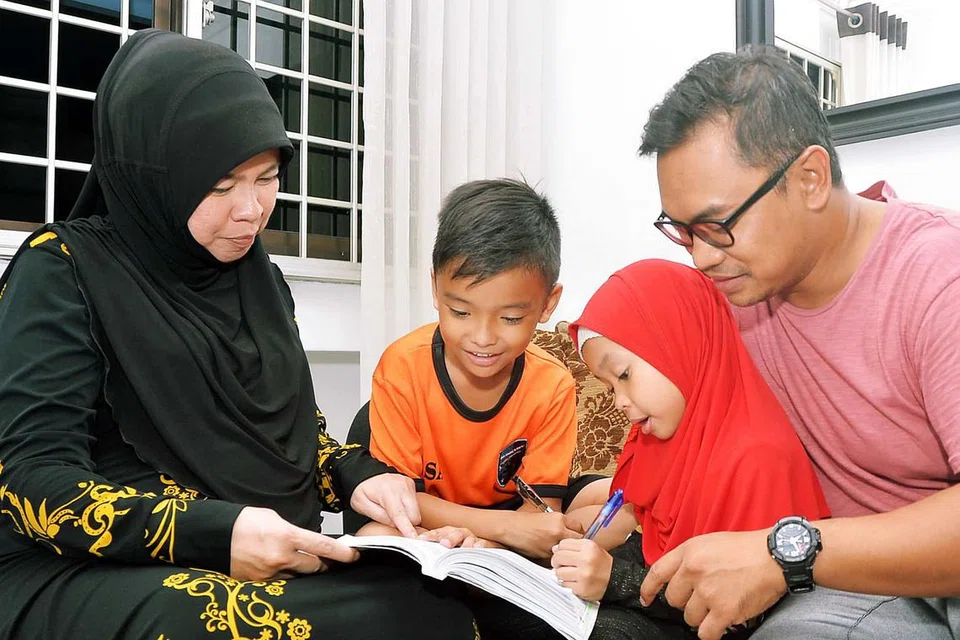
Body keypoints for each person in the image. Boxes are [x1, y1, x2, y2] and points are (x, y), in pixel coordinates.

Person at [0, 30, 477, 639]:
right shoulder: (63, 267)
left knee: (430, 601)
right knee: (244, 625)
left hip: (255, 554)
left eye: (268, 178)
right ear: (152, 175)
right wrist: (214, 534)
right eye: (221, 186)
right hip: (80, 566)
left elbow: (296, 441)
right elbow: (33, 481)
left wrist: (362, 479)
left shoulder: (260, 284)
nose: (252, 210)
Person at [634, 46, 960, 640]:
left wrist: (787, 551)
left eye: (716, 225)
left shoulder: (939, 278)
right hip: (858, 582)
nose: (703, 256)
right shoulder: (735, 293)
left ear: (809, 178)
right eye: (681, 232)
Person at [545, 259, 829, 640]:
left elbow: (734, 611)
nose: (620, 402)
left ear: (682, 343)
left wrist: (615, 579)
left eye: (625, 375)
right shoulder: (660, 435)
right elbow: (644, 534)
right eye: (610, 386)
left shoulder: (758, 457)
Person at [361, 178, 583, 559]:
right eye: (461, 312)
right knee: (372, 533)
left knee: (586, 516)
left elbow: (541, 517)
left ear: (548, 304)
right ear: (435, 288)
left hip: (502, 534)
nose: (483, 337)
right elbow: (400, 500)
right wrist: (504, 529)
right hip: (423, 526)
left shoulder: (553, 386)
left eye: (511, 318)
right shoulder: (402, 367)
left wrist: (490, 539)